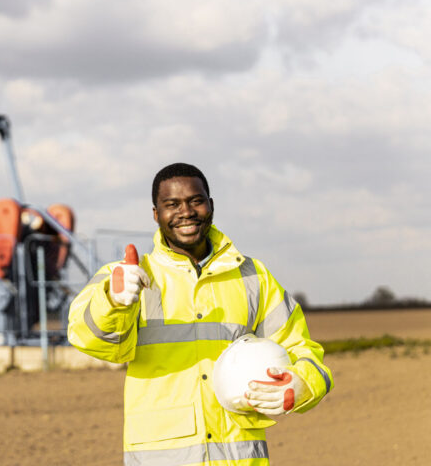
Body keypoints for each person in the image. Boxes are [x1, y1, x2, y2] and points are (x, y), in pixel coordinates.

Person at [67, 162, 333, 466]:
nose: (186, 212)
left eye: (196, 201)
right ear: (156, 214)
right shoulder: (129, 276)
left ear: (211, 205)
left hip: (239, 458)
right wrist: (112, 302)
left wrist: (302, 384)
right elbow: (87, 338)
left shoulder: (253, 276)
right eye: (172, 205)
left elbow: (302, 350)